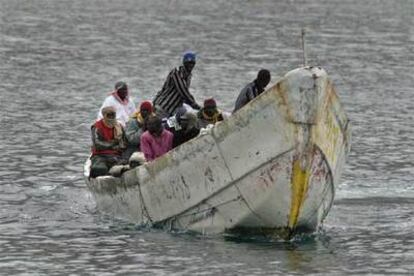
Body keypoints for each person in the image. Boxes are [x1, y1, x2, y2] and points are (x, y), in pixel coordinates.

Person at [153, 51, 202, 117]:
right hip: (162, 108)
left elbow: (184, 97)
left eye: (193, 63)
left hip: (172, 112)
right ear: (184, 63)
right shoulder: (176, 72)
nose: (191, 65)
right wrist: (197, 106)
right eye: (189, 63)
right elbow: (183, 91)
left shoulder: (189, 76)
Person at [90, 106, 127, 178]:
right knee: (99, 169)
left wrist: (119, 147)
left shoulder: (119, 127)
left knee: (124, 167)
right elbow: (97, 144)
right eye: (109, 115)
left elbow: (123, 144)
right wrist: (112, 144)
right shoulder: (97, 127)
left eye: (113, 115)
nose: (111, 117)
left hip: (115, 155)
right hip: (100, 155)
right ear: (104, 115)